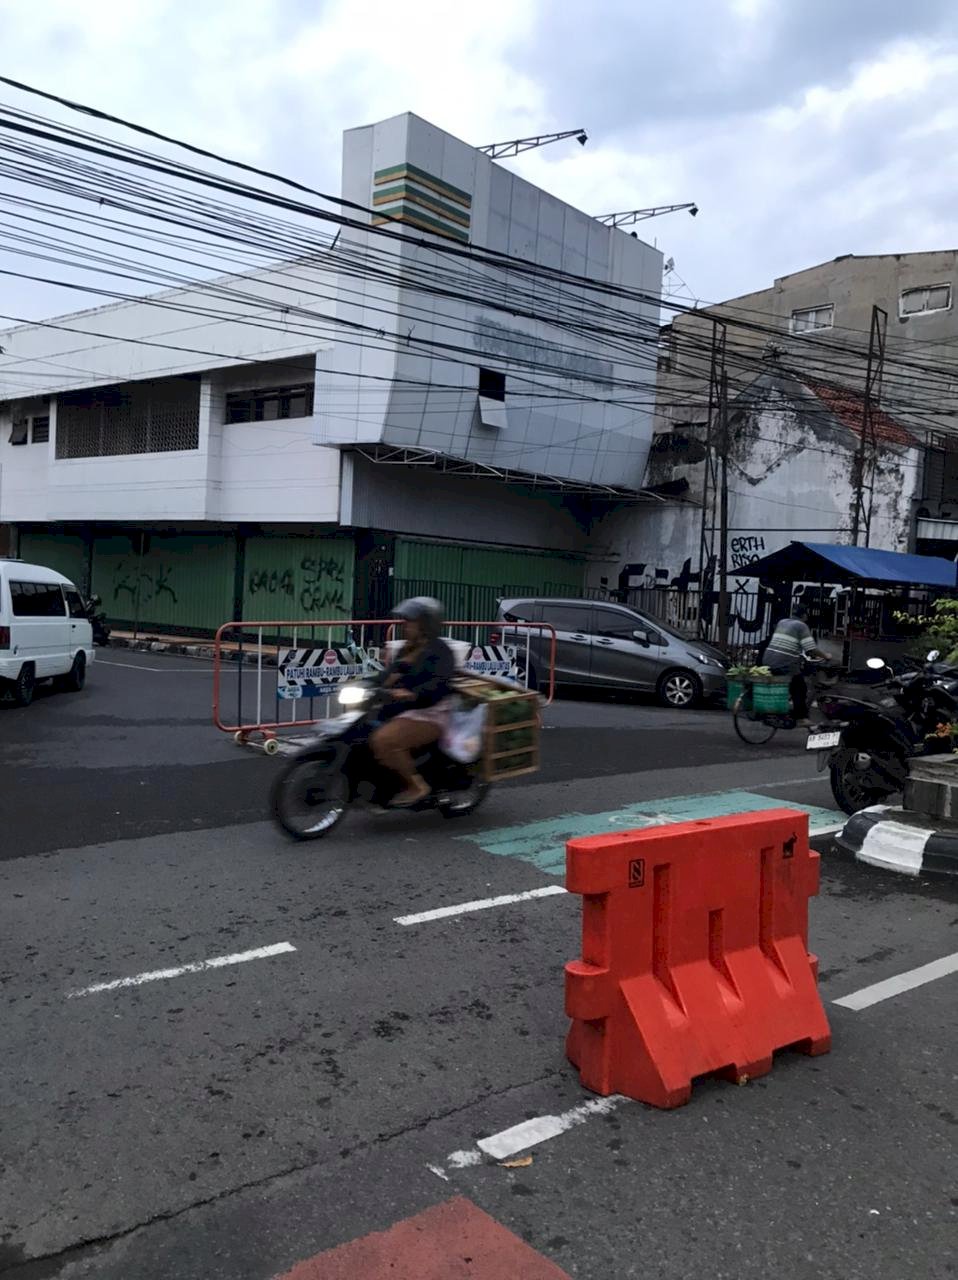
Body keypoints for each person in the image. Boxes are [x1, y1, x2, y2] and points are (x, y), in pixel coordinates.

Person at [370, 597, 456, 807]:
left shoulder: (441, 652)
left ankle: (417, 786)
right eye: (405, 621)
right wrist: (364, 682)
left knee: (384, 739)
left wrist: (412, 694)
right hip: (404, 709)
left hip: (431, 713)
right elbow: (390, 674)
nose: (405, 626)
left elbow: (438, 686)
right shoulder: (406, 649)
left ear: (426, 624)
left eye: (411, 621)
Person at [759, 604, 827, 725]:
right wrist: (826, 656)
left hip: (767, 659)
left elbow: (787, 642)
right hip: (783, 663)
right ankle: (801, 718)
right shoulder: (801, 626)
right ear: (804, 615)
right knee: (800, 687)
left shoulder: (782, 622)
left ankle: (777, 711)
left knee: (786, 683)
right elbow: (811, 649)